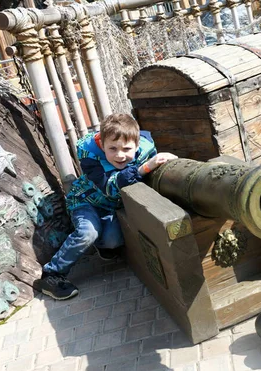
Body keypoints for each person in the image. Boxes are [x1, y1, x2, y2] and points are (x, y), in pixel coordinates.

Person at [35, 113, 177, 300]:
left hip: (112, 206)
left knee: (112, 240)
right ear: (102, 145)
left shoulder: (146, 148)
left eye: (127, 148)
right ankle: (52, 274)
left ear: (137, 144)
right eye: (112, 148)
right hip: (86, 201)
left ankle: (104, 245)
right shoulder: (90, 155)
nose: (120, 155)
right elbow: (109, 187)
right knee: (88, 232)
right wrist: (143, 169)